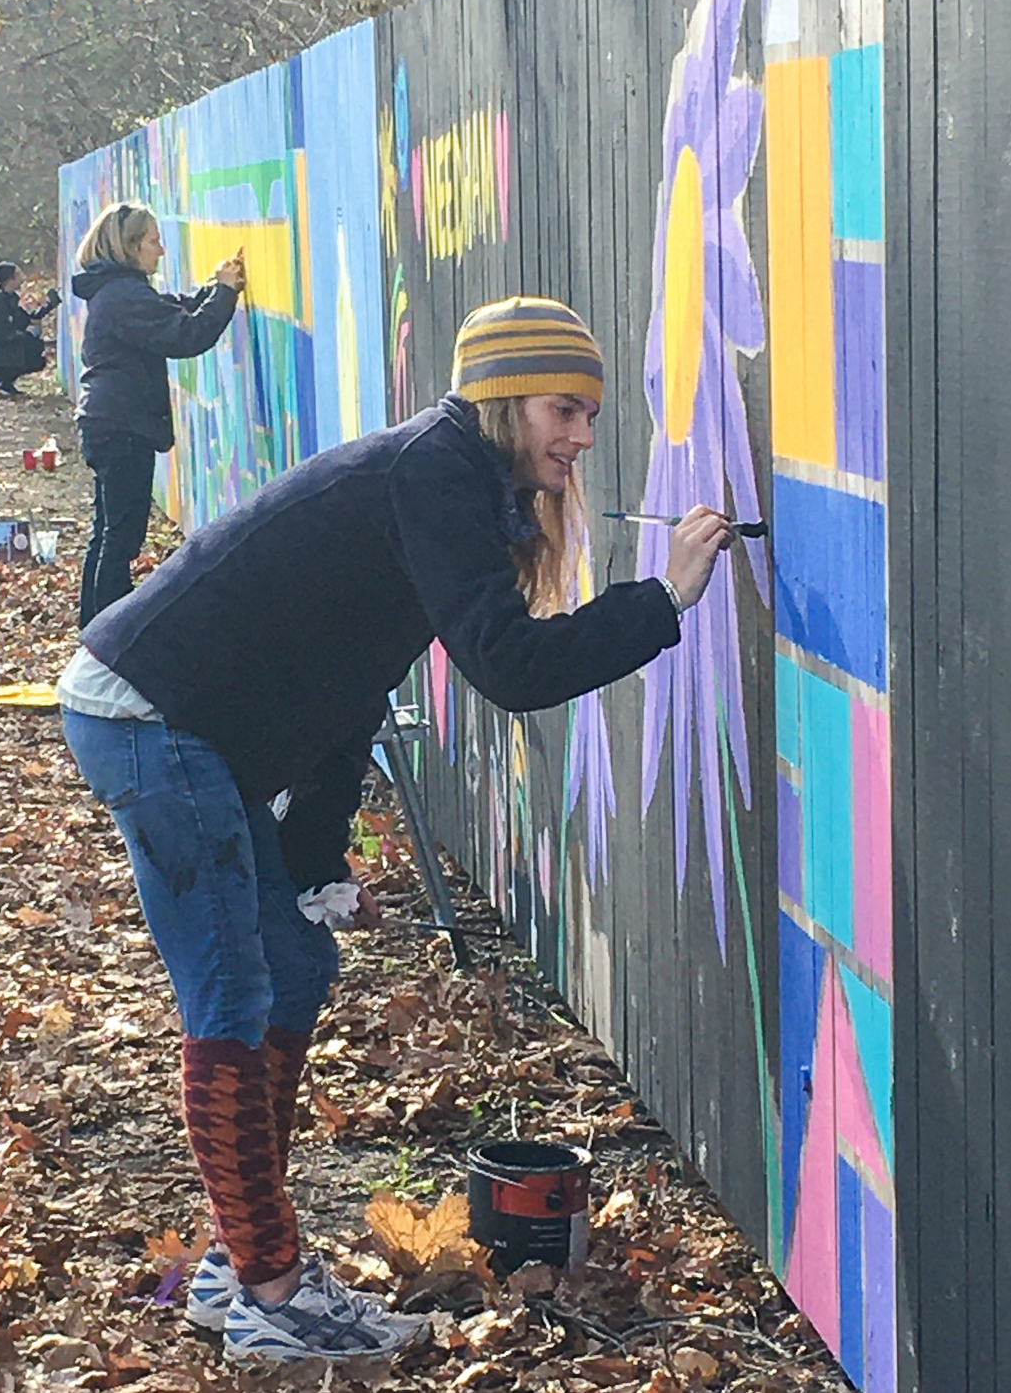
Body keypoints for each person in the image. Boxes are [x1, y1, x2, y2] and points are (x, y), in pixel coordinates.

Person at [57, 295, 734, 1366]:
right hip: (151, 712)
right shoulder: (437, 473)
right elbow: (508, 668)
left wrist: (312, 857)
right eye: (566, 409)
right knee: (234, 990)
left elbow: (349, 668)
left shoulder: (459, 478)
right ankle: (271, 1290)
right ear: (506, 399)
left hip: (192, 715)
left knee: (292, 960)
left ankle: (243, 1266)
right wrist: (664, 601)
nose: (582, 438)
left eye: (590, 415)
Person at [71, 201, 246, 628]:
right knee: (122, 539)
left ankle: (94, 630)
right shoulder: (124, 295)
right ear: (130, 247)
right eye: (153, 241)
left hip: (110, 423)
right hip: (121, 426)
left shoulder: (118, 292)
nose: (161, 251)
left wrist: (214, 288)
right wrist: (224, 293)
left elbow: (173, 309)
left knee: (110, 532)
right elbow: (186, 334)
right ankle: (109, 634)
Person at [0, 261, 60, 397]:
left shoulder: (9, 300)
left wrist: (49, 304)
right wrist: (24, 337)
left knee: (36, 353)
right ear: (11, 278)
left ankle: (4, 382)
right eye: (19, 274)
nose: (23, 278)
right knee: (31, 349)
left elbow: (29, 319)